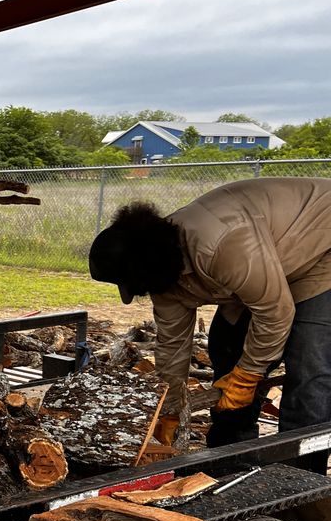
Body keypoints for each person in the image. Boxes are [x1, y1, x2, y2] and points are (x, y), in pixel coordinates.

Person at [88, 177, 331, 447]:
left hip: (323, 250)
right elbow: (173, 344)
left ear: (144, 269)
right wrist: (169, 408)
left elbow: (274, 312)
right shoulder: (162, 271)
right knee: (226, 349)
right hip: (269, 261)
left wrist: (248, 374)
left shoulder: (220, 244)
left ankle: (304, 472)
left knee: (309, 361)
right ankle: (231, 455)